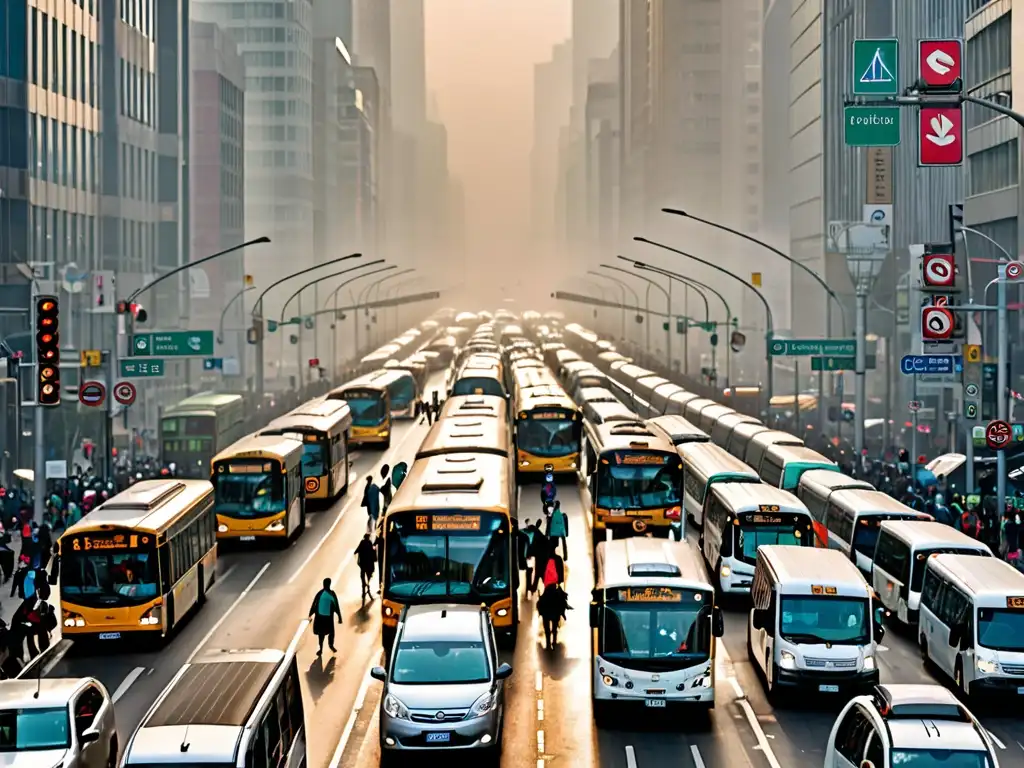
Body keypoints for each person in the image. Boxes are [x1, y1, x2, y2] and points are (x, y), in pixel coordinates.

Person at [307, 577, 342, 656]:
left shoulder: (323, 593)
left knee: (328, 633)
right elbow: (314, 604)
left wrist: (339, 616)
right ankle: (322, 648)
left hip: (327, 617)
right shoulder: (327, 593)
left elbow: (336, 605)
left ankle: (328, 646)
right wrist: (310, 614)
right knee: (323, 633)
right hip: (322, 617)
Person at [537, 582, 571, 650]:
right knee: (554, 628)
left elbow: (540, 605)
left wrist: (541, 613)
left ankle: (548, 642)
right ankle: (554, 641)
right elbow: (562, 604)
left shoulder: (545, 594)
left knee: (547, 629)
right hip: (555, 612)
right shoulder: (558, 593)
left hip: (546, 613)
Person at [355, 534, 377, 603]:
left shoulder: (362, 543)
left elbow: (356, 551)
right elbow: (372, 553)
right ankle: (367, 589)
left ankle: (364, 591)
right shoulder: (369, 543)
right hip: (368, 565)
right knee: (368, 577)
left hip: (363, 564)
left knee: (362, 577)